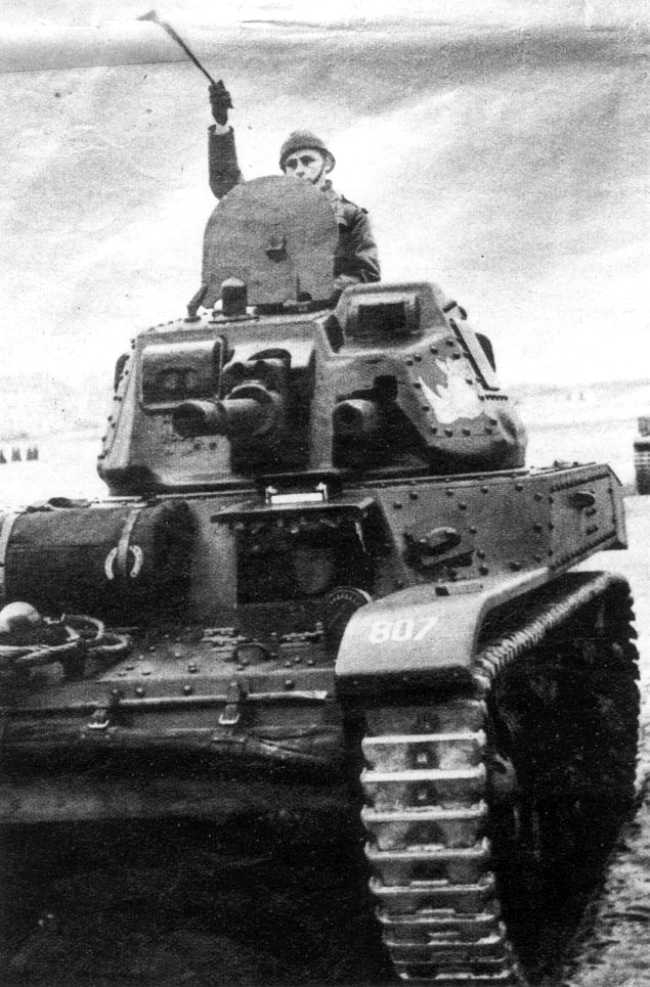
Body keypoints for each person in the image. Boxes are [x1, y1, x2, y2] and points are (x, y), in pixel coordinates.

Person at [207, 83, 380, 293]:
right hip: (275, 312)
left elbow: (367, 273)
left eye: (308, 161)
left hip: (330, 312)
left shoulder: (351, 216)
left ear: (326, 163)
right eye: (292, 164)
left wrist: (320, 289)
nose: (299, 170)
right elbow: (229, 188)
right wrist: (221, 126)